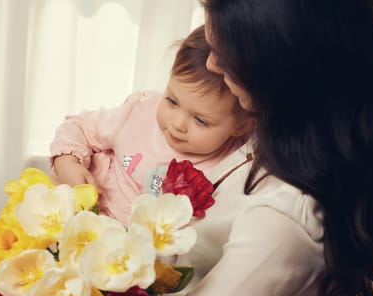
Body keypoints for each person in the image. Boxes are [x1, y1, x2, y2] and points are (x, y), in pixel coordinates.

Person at [166, 1, 373, 296]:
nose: (210, 63)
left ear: (277, 69)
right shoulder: (297, 132)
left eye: (224, 56)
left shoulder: (284, 217)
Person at [49, 25, 254, 225]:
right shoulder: (139, 112)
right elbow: (79, 126)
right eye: (172, 101)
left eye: (200, 120)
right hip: (83, 218)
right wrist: (67, 163)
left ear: (242, 125)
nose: (177, 124)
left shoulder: (233, 165)